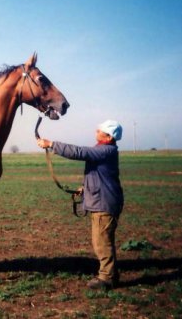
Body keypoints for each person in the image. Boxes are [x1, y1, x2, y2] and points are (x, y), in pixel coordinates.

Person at [37, 120, 124, 290]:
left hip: (104, 204)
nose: (96, 130)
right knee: (101, 240)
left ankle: (107, 278)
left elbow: (79, 152)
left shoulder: (105, 150)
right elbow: (99, 175)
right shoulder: (104, 150)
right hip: (103, 200)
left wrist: (51, 144)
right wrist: (85, 188)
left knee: (102, 242)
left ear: (108, 136)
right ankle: (110, 274)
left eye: (100, 130)